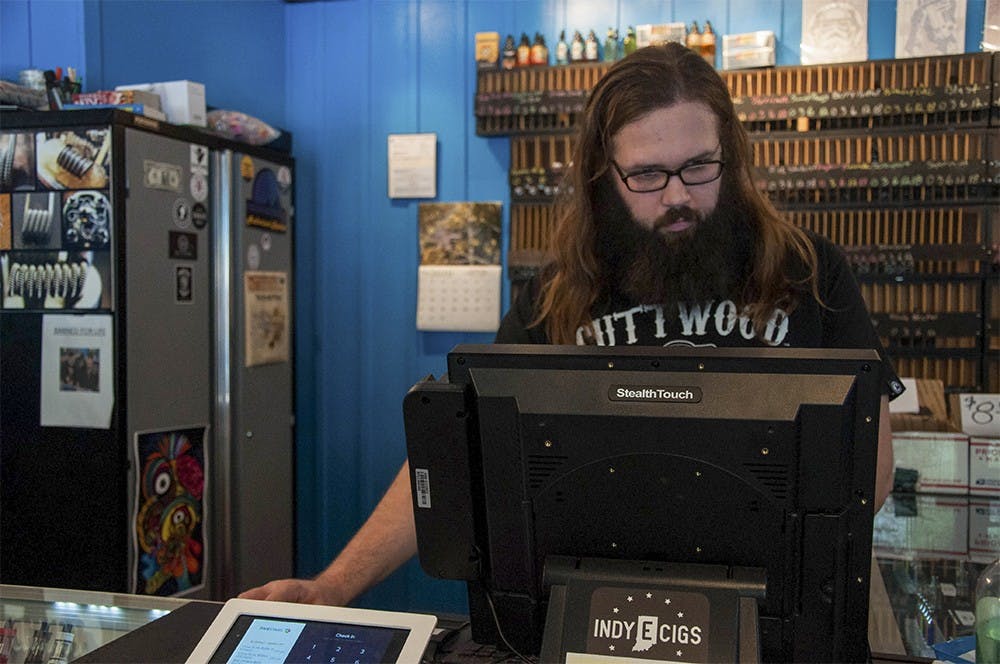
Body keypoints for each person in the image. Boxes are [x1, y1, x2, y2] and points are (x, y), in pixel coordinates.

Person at [241, 42, 902, 607]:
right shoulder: (554, 298)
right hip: (591, 611)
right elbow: (449, 455)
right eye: (646, 174)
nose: (677, 196)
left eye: (699, 167)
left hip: (771, 610)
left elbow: (867, 468)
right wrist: (331, 587)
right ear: (602, 176)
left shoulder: (812, 273)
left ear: (731, 154)